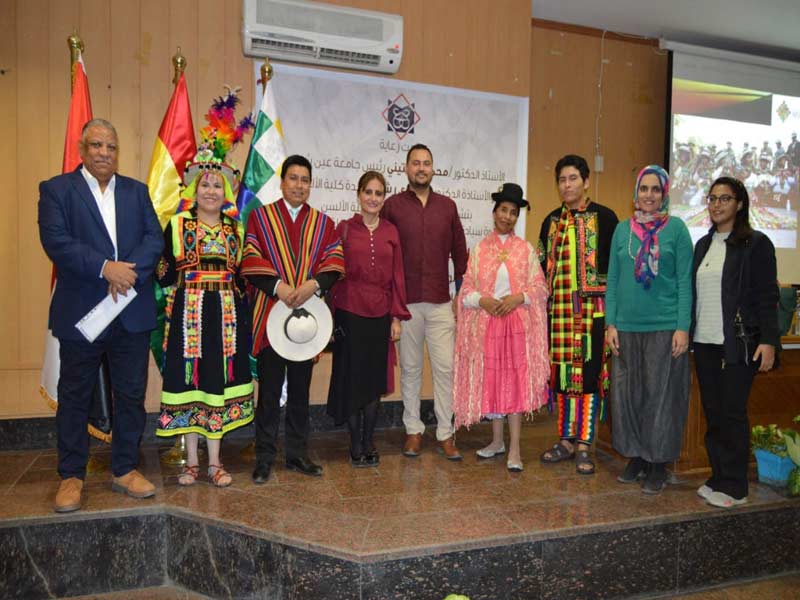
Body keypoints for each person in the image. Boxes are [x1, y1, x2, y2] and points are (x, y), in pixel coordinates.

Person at [38, 119, 163, 512]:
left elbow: (153, 239)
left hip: (130, 310)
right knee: (75, 396)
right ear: (82, 147)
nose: (103, 153)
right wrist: (106, 268)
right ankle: (72, 475)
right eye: (96, 145)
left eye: (110, 146)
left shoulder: (137, 192)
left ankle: (124, 468)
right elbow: (56, 241)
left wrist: (127, 273)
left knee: (129, 394)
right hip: (82, 312)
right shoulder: (57, 190)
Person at [155, 93, 255, 487]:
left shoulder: (236, 230)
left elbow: (244, 276)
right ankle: (191, 462)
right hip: (188, 315)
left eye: (217, 185)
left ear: (226, 193)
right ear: (193, 190)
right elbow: (162, 271)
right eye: (204, 184)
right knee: (189, 380)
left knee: (218, 381)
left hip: (226, 315)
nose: (211, 191)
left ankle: (215, 463)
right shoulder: (178, 227)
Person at [241, 155, 344, 484]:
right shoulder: (261, 218)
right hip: (272, 316)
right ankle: (265, 457)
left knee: (300, 391)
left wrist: (311, 286)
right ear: (282, 181)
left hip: (307, 323)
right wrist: (280, 288)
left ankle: (298, 454)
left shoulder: (323, 223)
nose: (299, 185)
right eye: (293, 178)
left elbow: (335, 261)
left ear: (310, 185)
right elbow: (250, 258)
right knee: (268, 392)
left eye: (305, 180)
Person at [605, 165, 693, 494]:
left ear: (665, 194)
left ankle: (658, 463)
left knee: (661, 397)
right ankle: (638, 457)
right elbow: (612, 281)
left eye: (656, 189)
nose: (649, 195)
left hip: (664, 327)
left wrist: (682, 327)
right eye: (644, 188)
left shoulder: (678, 231)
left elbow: (685, 283)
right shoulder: (621, 230)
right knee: (628, 396)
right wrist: (610, 323)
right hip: (625, 329)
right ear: (636, 193)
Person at [692, 176, 778, 508]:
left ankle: (736, 485)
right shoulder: (703, 244)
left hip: (738, 343)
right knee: (713, 413)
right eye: (712, 198)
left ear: (739, 204)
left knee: (732, 413)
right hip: (705, 342)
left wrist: (769, 340)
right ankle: (719, 477)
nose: (716, 204)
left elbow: (767, 295)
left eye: (724, 199)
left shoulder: (755, 243)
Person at [453, 183, 550, 472]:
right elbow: (466, 287)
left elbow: (540, 287)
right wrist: (482, 301)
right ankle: (497, 442)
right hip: (490, 326)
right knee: (493, 384)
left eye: (513, 212)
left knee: (516, 386)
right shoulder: (481, 250)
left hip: (516, 327)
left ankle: (516, 448)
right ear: (495, 212)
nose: (507, 216)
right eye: (504, 210)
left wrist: (519, 297)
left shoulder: (525, 250)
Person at [382, 144, 468, 460]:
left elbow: (460, 253)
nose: (421, 168)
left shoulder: (447, 206)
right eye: (416, 163)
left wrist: (461, 293)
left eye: (426, 163)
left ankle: (446, 433)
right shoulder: (392, 206)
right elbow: (387, 256)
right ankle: (413, 431)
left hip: (440, 302)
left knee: (445, 369)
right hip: (405, 306)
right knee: (411, 369)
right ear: (406, 168)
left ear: (434, 169)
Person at [538, 154, 618, 475]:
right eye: (562, 180)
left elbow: (616, 271)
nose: (567, 185)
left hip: (592, 313)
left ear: (586, 181)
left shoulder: (606, 218)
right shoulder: (550, 221)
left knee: (587, 376)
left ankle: (585, 443)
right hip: (558, 313)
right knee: (561, 377)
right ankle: (566, 440)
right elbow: (542, 270)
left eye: (573, 178)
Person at [327, 171, 410, 467]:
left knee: (374, 382)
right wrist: (331, 318)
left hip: (380, 315)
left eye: (378, 193)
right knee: (353, 381)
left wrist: (397, 317)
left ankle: (368, 441)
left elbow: (398, 276)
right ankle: (354, 444)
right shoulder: (344, 229)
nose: (373, 198)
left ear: (383, 198)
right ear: (359, 195)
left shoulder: (391, 231)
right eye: (368, 192)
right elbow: (333, 274)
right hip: (350, 313)